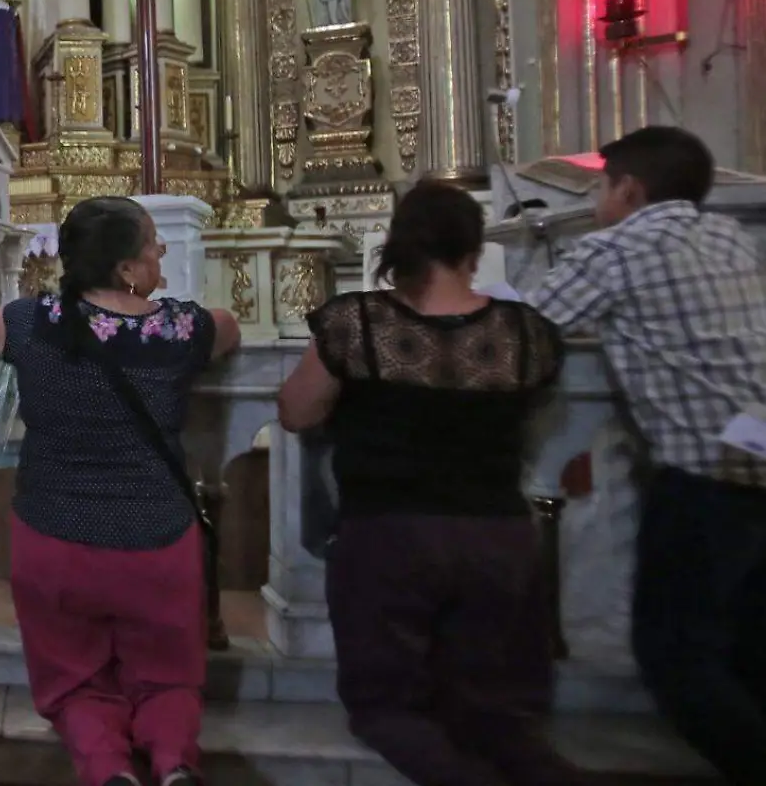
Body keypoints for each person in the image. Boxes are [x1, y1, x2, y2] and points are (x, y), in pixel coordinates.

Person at [277, 181, 584, 786]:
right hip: (497, 536)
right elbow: (535, 410)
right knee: (494, 715)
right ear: (475, 250)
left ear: (400, 246)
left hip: (390, 539)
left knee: (389, 708)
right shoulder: (526, 333)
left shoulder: (358, 324)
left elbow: (296, 412)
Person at [0, 198, 240, 786]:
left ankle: (110, 770)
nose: (159, 252)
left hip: (54, 535)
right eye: (152, 244)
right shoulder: (177, 327)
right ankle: (173, 762)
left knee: (75, 679)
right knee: (167, 675)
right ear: (126, 269)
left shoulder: (33, 322)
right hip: (156, 538)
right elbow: (230, 326)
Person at [522, 126, 766, 782]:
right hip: (758, 455)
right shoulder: (728, 237)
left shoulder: (618, 248)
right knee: (747, 649)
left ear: (628, 188)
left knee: (674, 653)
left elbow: (522, 331)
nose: (599, 198)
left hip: (707, 476)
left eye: (602, 186)